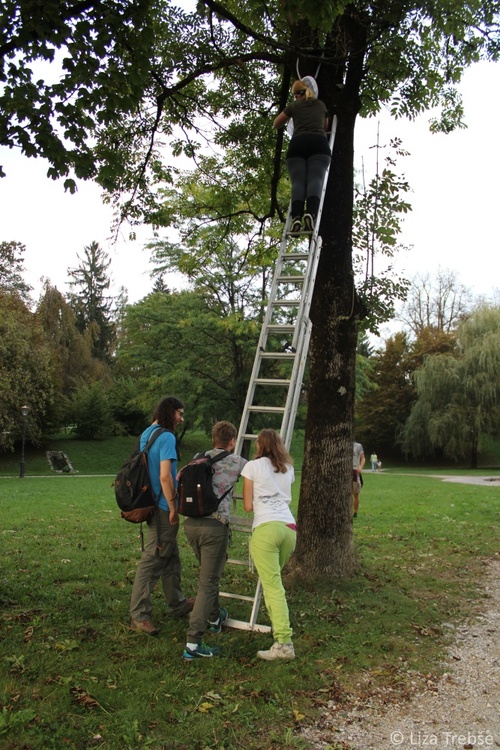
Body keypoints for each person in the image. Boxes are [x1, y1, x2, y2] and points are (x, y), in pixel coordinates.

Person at [182, 421, 247, 660]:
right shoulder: (237, 462)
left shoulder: (198, 458)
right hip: (214, 527)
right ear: (232, 441)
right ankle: (193, 644)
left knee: (208, 575)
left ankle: (214, 617)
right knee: (208, 583)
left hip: (190, 524)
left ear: (213, 439)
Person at [130, 396, 194, 635]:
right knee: (153, 560)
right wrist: (174, 507)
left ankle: (177, 604)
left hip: (150, 504)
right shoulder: (166, 436)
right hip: (163, 508)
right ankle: (139, 615)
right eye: (179, 413)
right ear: (170, 412)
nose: (181, 418)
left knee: (170, 557)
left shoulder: (148, 432)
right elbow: (165, 476)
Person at [241, 429, 296, 661]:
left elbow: (247, 506)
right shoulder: (289, 468)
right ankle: (278, 629)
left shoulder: (253, 467)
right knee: (273, 583)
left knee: (273, 586)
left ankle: (284, 643)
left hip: (266, 528)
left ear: (259, 445)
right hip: (289, 528)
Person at [273, 77, 331, 235]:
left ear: (298, 94)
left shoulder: (294, 105)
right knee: (316, 179)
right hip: (319, 144)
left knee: (298, 182)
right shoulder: (321, 105)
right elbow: (325, 126)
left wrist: (292, 116)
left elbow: (277, 123)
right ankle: (310, 214)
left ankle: (296, 217)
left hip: (298, 145)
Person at [352, 441, 365, 519]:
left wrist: (360, 467)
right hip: (345, 471)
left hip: (355, 470)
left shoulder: (358, 446)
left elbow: (363, 458)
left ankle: (355, 512)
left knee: (355, 494)